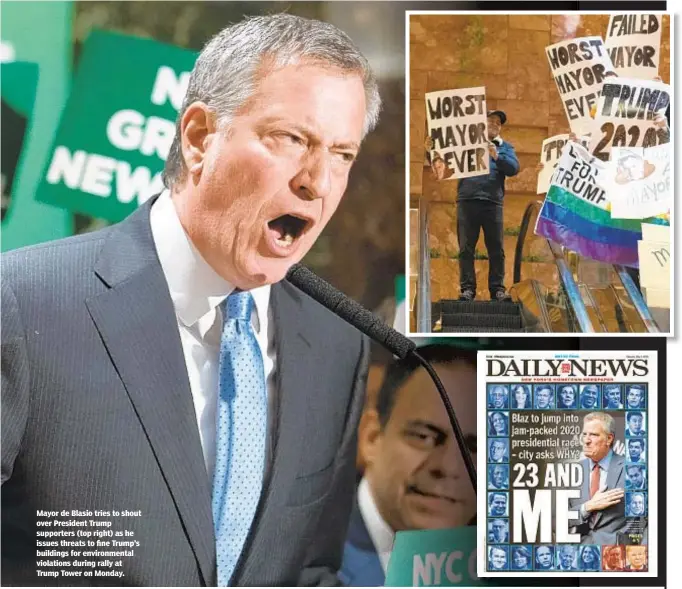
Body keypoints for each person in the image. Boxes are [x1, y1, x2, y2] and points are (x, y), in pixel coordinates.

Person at [1, 14, 381, 587]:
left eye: (343, 154)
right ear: (200, 137)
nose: (318, 181)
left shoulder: (337, 343)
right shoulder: (26, 301)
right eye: (293, 140)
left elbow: (311, 567)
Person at [340, 346, 477, 586]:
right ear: (371, 437)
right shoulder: (301, 561)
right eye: (424, 437)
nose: (449, 467)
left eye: (475, 448)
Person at [456, 110, 519, 302]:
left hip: (493, 203)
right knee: (466, 247)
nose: (494, 124)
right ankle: (467, 289)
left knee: (496, 248)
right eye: (490, 120)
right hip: (467, 200)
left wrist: (497, 156)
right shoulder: (467, 144)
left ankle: (497, 290)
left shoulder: (505, 147)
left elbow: (514, 168)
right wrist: (431, 148)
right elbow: (445, 159)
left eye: (498, 123)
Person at [569, 413, 626, 545]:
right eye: (584, 434)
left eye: (594, 435)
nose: (586, 440)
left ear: (609, 439)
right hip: (579, 555)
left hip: (617, 555)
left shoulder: (632, 469)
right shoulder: (572, 471)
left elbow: (648, 520)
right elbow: (556, 520)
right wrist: (587, 507)